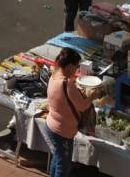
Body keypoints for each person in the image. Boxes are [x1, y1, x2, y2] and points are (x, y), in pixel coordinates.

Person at [44, 48, 95, 177]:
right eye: (77, 66)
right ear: (70, 65)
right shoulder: (66, 84)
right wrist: (92, 96)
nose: (77, 70)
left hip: (53, 126)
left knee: (58, 157)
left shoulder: (54, 74)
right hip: (62, 131)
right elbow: (83, 106)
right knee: (63, 165)